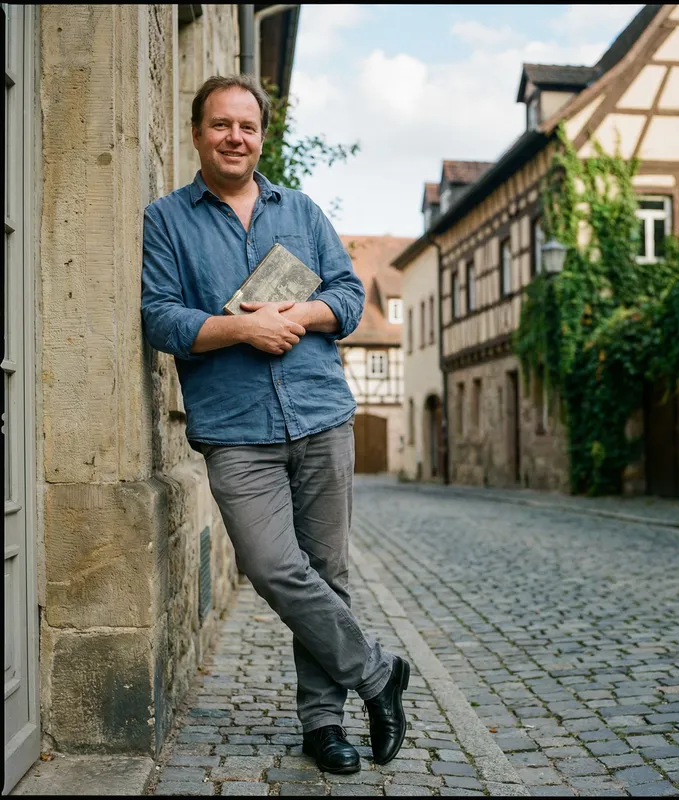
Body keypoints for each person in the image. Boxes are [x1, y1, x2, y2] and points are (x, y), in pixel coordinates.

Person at [140, 74, 409, 774]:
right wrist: (241, 329)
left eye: (247, 126)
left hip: (320, 414)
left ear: (261, 136)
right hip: (235, 429)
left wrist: (301, 314)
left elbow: (348, 297)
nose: (235, 137)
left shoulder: (303, 212)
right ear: (197, 133)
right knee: (271, 566)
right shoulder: (166, 220)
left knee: (327, 571)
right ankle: (378, 674)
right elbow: (160, 317)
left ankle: (324, 724)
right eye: (221, 124)